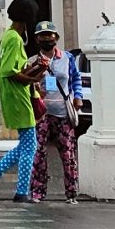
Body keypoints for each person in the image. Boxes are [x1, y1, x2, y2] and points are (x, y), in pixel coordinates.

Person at [0, 0, 46, 203]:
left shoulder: (8, 37)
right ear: (27, 19)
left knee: (26, 145)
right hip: (18, 96)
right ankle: (21, 192)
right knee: (30, 146)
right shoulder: (14, 39)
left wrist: (34, 73)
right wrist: (32, 77)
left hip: (14, 95)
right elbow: (10, 71)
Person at [28, 22, 79, 204]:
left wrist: (77, 98)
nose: (46, 39)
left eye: (50, 36)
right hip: (42, 113)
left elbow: (75, 79)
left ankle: (71, 192)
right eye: (42, 36)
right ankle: (38, 192)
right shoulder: (33, 61)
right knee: (39, 153)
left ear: (56, 38)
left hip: (63, 113)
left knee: (68, 154)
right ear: (37, 39)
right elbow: (29, 84)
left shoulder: (67, 58)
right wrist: (36, 89)